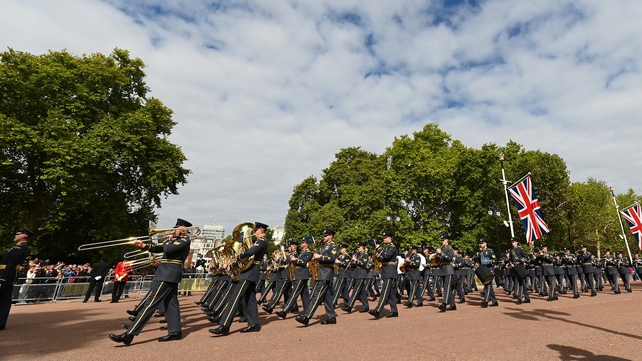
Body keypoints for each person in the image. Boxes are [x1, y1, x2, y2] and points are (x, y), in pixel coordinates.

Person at [110, 218, 193, 345]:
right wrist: (144, 246)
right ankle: (175, 331)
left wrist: (169, 238)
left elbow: (168, 249)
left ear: (183, 230)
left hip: (167, 274)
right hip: (167, 274)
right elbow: (159, 248)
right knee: (171, 303)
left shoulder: (184, 240)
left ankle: (130, 334)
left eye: (176, 229)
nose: (172, 231)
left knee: (150, 304)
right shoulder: (175, 241)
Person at [209, 222, 269, 336]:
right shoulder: (257, 241)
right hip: (249, 272)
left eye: (255, 230)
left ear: (261, 230)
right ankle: (254, 324)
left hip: (250, 272)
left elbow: (251, 252)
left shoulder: (262, 241)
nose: (254, 232)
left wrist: (240, 256)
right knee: (249, 299)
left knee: (235, 298)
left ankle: (225, 325)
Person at [295, 228, 337, 326]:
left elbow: (332, 259)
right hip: (323, 272)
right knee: (327, 297)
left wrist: (320, 257)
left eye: (325, 236)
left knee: (316, 296)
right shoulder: (324, 247)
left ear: (331, 236)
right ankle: (331, 317)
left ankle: (307, 316)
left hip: (326, 273)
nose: (324, 237)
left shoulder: (333, 246)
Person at [0, 227, 33, 330]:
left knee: (4, 300)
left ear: (24, 236)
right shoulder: (21, 247)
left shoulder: (19, 248)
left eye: (18, 234)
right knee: (5, 300)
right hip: (10, 275)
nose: (15, 236)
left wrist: (2, 278)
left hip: (6, 275)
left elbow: (11, 264)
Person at [276, 236, 313, 319]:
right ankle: (308, 312)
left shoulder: (308, 252)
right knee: (305, 295)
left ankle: (285, 311)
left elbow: (304, 262)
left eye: (303, 243)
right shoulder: (302, 252)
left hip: (302, 274)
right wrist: (280, 260)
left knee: (294, 293)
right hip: (300, 274)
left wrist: (295, 260)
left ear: (307, 244)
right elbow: (290, 261)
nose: (301, 244)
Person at [369, 231, 399, 319]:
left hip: (390, 272)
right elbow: (381, 258)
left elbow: (386, 256)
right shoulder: (386, 247)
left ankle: (378, 310)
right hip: (386, 271)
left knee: (384, 292)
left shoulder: (392, 247)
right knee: (391, 294)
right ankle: (394, 311)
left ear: (390, 238)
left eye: (385, 237)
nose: (384, 239)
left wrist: (380, 249)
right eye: (383, 238)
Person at [476, 238, 498, 308]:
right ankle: (494, 301)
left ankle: (486, 301)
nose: (481, 244)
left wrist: (488, 261)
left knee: (487, 286)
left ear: (485, 244)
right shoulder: (480, 253)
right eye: (480, 243)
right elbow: (480, 262)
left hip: (489, 270)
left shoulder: (489, 251)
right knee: (489, 287)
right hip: (484, 271)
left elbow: (495, 260)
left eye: (482, 243)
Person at [437, 235, 456, 312]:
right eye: (442, 240)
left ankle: (444, 303)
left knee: (447, 286)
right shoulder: (442, 248)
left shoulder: (449, 248)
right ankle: (452, 304)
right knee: (446, 288)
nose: (442, 241)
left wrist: (441, 253)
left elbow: (449, 258)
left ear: (447, 240)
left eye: (443, 240)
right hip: (443, 269)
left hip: (448, 268)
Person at [509, 238, 530, 304]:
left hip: (520, 266)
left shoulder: (520, 249)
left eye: (514, 242)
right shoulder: (511, 250)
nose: (512, 243)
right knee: (521, 282)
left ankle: (520, 298)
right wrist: (511, 263)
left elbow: (525, 257)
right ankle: (527, 298)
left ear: (516, 242)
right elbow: (510, 259)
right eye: (512, 242)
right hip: (515, 267)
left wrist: (522, 260)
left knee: (520, 282)